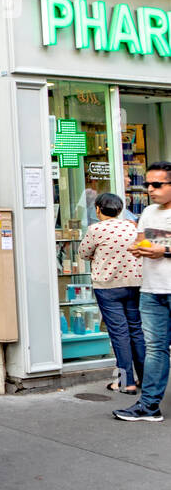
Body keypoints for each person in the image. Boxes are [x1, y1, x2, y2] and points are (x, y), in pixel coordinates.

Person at [115, 162, 171, 422]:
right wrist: (139, 249)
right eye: (147, 184)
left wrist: (165, 249)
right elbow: (140, 242)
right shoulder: (148, 212)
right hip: (151, 290)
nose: (150, 189)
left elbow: (161, 247)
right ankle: (149, 406)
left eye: (157, 184)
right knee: (155, 349)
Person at [79, 192, 144, 393]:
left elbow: (83, 253)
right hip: (134, 284)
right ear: (119, 209)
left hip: (108, 287)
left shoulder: (95, 229)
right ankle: (145, 378)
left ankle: (127, 382)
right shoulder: (131, 226)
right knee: (136, 330)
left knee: (119, 334)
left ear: (97, 209)